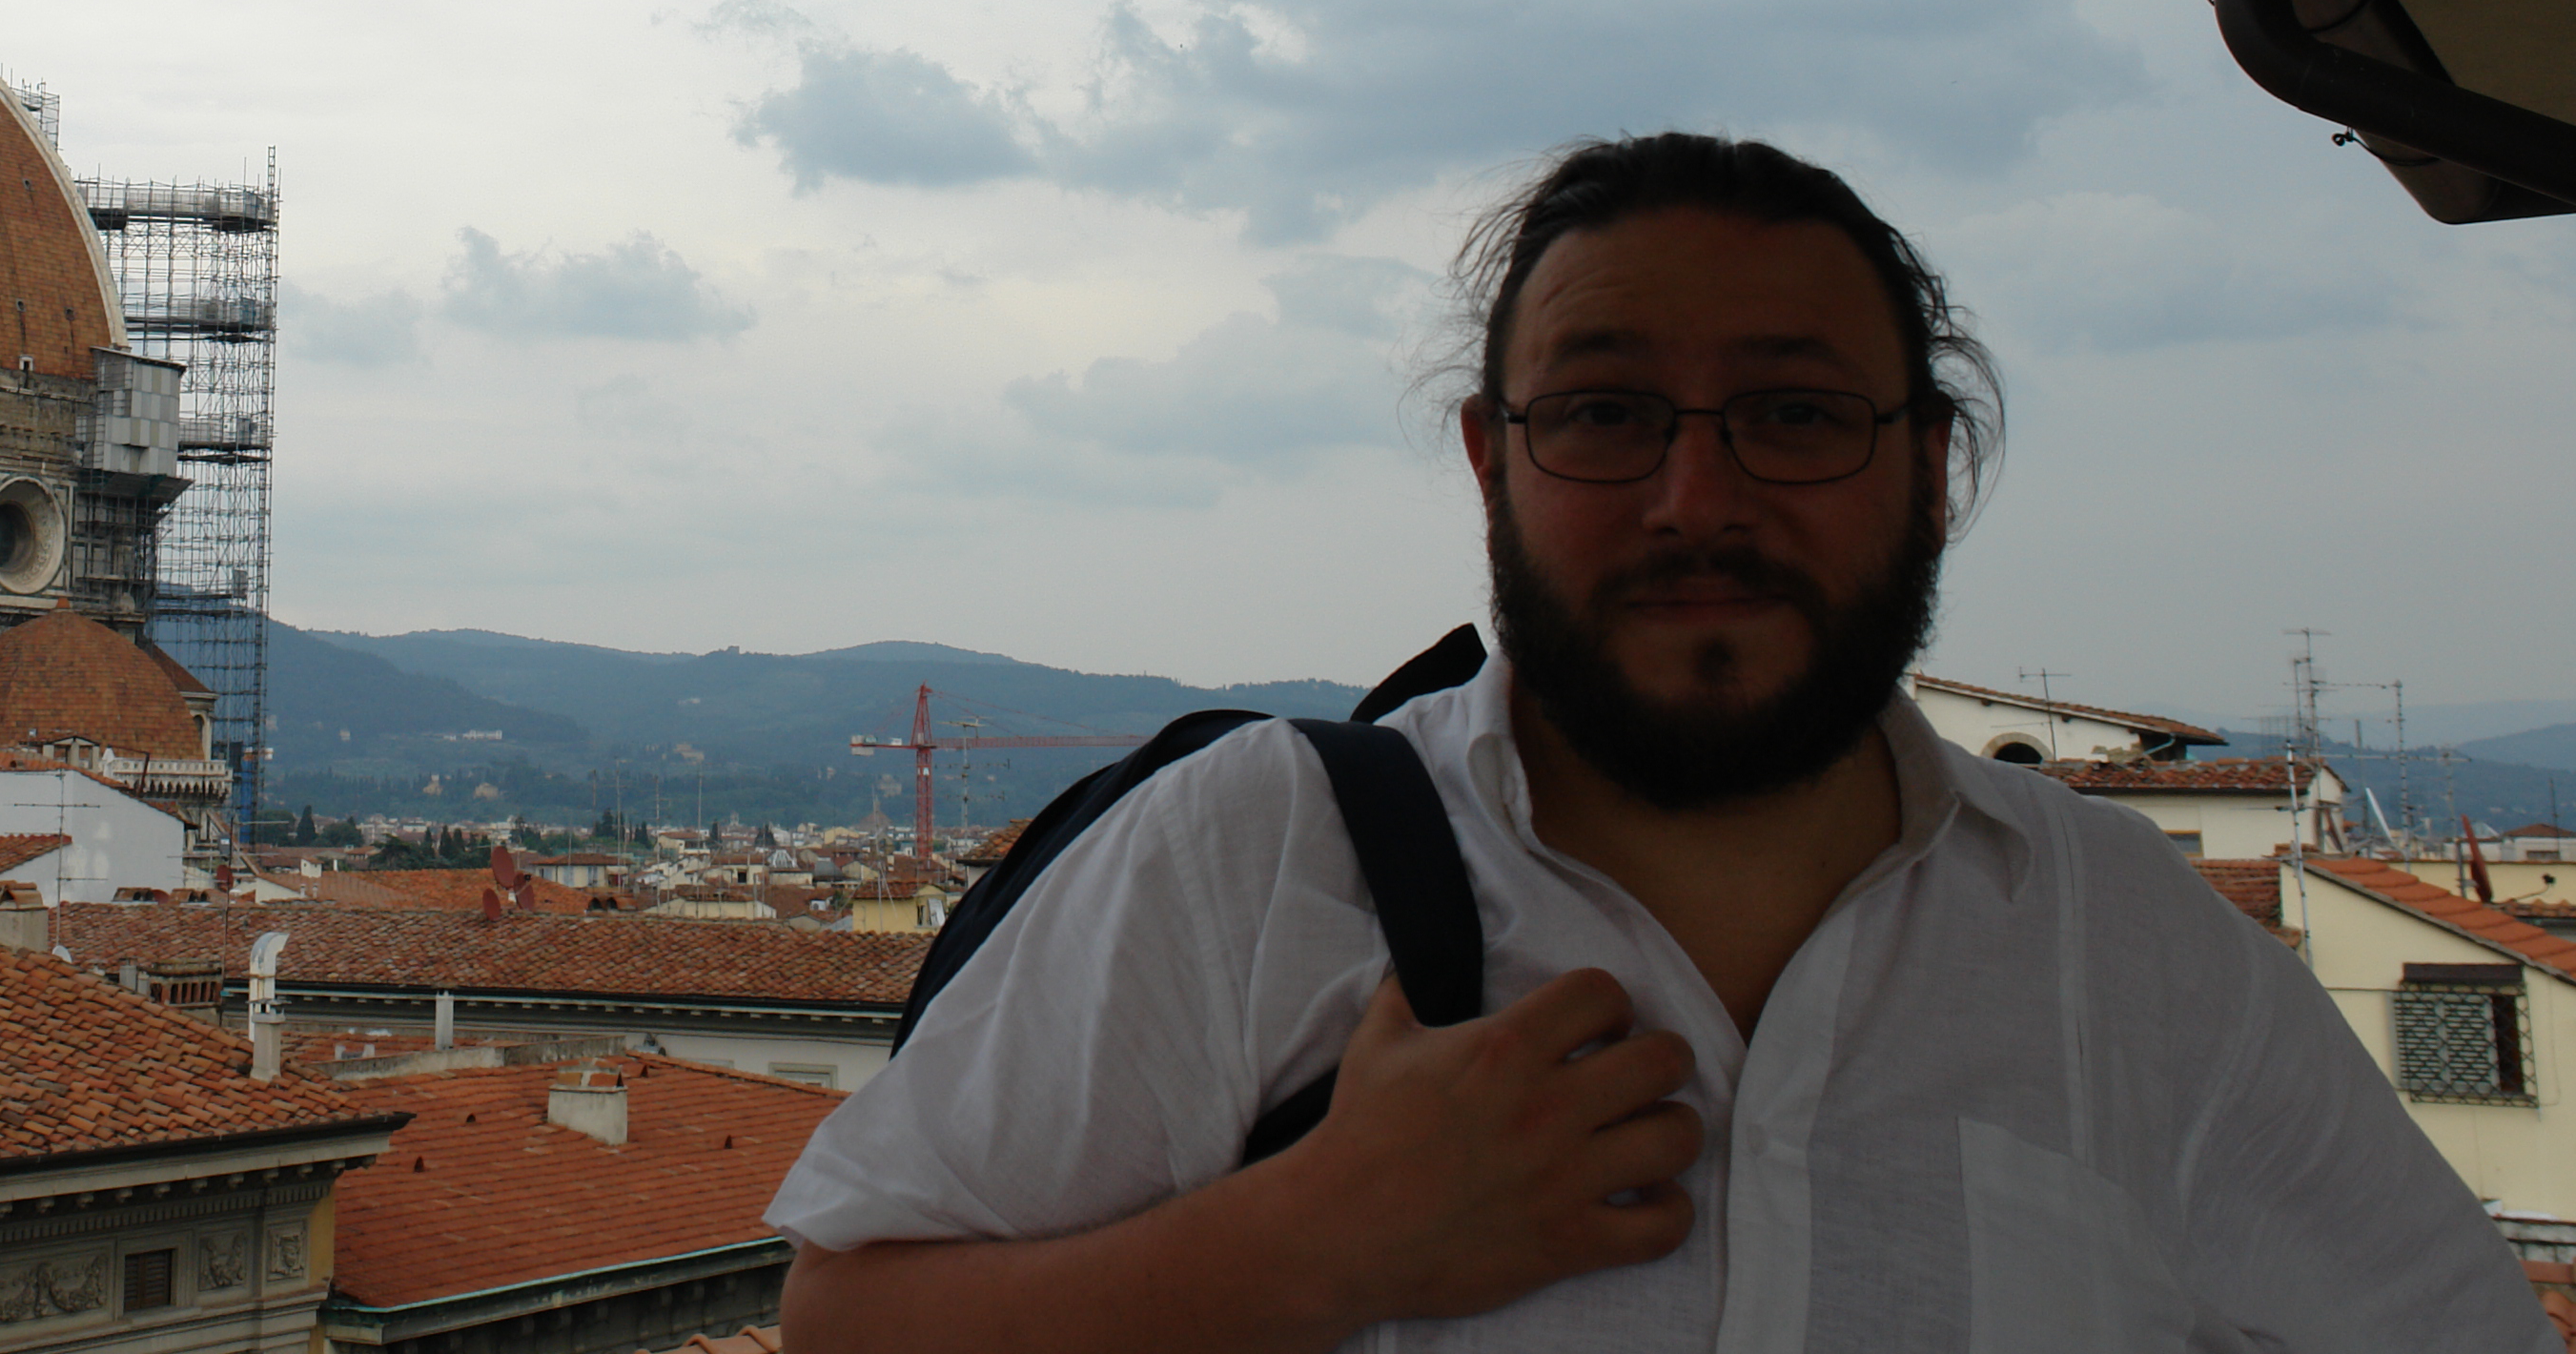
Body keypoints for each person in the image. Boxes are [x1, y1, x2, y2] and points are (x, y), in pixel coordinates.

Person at [768, 133, 2545, 1350]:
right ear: (1494, 463)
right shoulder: (1254, 853)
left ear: (1929, 468)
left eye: (1796, 413)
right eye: (1609, 412)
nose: (1699, 496)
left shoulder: (2129, 947)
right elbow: (849, 1322)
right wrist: (1310, 1247)